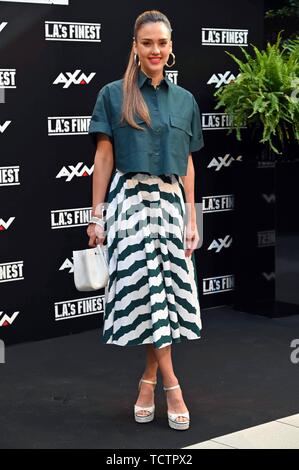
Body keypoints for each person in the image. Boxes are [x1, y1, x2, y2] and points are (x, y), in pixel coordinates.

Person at [87, 10, 204, 431]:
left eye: (162, 43)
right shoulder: (113, 94)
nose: (155, 50)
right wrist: (96, 215)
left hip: (172, 204)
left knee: (168, 297)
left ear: (170, 48)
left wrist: (193, 218)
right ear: (135, 48)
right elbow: (103, 158)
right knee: (148, 294)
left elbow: (187, 163)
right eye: (147, 43)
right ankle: (173, 385)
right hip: (130, 204)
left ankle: (148, 379)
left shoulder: (185, 100)